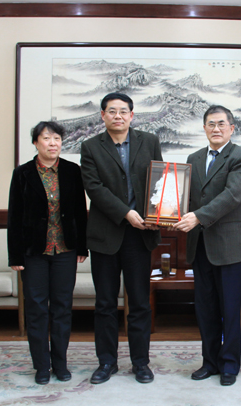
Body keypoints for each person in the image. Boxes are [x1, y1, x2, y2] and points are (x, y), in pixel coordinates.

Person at [80, 92, 162, 385]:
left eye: (123, 111)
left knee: (139, 302)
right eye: (112, 111)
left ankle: (141, 363)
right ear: (103, 115)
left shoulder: (149, 141)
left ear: (132, 115)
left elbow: (160, 181)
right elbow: (94, 188)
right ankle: (106, 362)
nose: (118, 116)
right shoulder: (90, 146)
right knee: (105, 303)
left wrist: (158, 212)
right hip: (106, 234)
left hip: (140, 236)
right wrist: (126, 213)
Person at [173, 105, 241, 386]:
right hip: (199, 245)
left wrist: (197, 216)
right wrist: (167, 212)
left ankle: (229, 364)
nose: (216, 128)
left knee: (229, 309)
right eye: (211, 124)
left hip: (229, 245)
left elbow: (232, 196)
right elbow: (185, 196)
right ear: (204, 128)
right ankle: (209, 362)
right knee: (205, 308)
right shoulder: (193, 158)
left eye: (221, 124)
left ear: (232, 128)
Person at [7, 121, 88, 385]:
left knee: (62, 308)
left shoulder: (72, 171)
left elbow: (80, 211)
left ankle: (60, 364)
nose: (52, 143)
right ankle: (42, 366)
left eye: (57, 139)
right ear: (36, 143)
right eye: (46, 138)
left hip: (65, 249)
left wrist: (82, 246)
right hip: (34, 252)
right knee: (37, 309)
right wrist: (15, 256)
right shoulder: (22, 173)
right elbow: (14, 215)